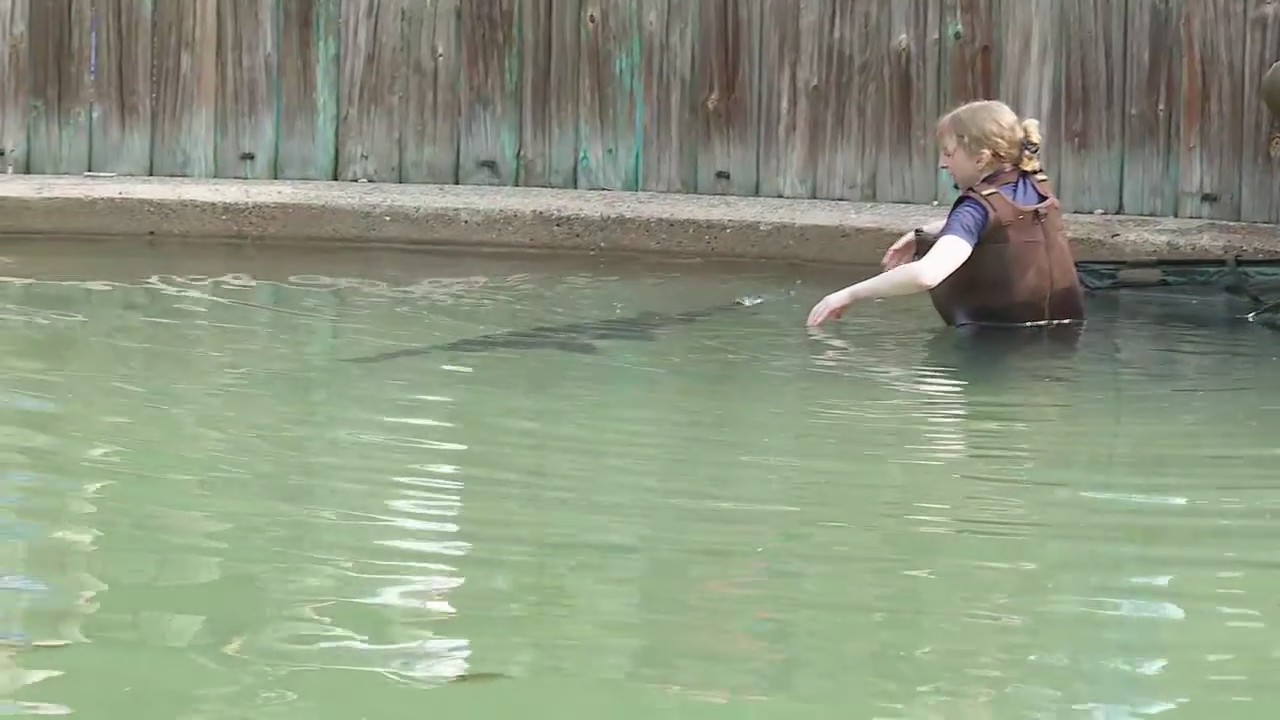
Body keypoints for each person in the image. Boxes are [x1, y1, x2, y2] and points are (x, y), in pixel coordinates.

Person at [805, 100, 1086, 331]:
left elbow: (926, 275)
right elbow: (1008, 221)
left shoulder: (974, 208)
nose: (942, 163)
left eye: (949, 153)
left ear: (981, 158)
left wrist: (847, 294)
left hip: (995, 350)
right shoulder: (1037, 184)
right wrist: (927, 232)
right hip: (1063, 342)